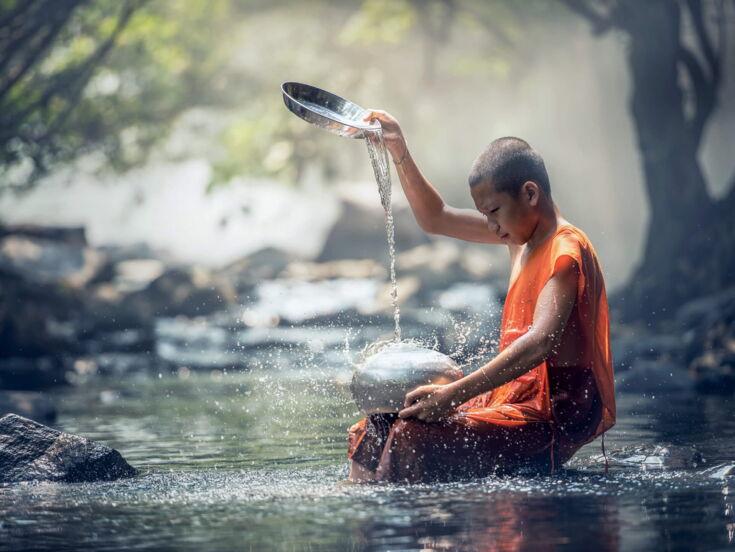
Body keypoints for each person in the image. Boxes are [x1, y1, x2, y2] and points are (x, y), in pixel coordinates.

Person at [347, 110, 616, 483]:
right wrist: (398, 149)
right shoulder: (519, 234)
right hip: (510, 399)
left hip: (550, 416)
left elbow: (541, 342)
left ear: (530, 194)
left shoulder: (565, 250)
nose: (491, 227)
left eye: (493, 212)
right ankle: (363, 518)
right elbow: (436, 218)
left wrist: (453, 395)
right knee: (375, 425)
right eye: (483, 215)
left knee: (409, 435)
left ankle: (418, 534)